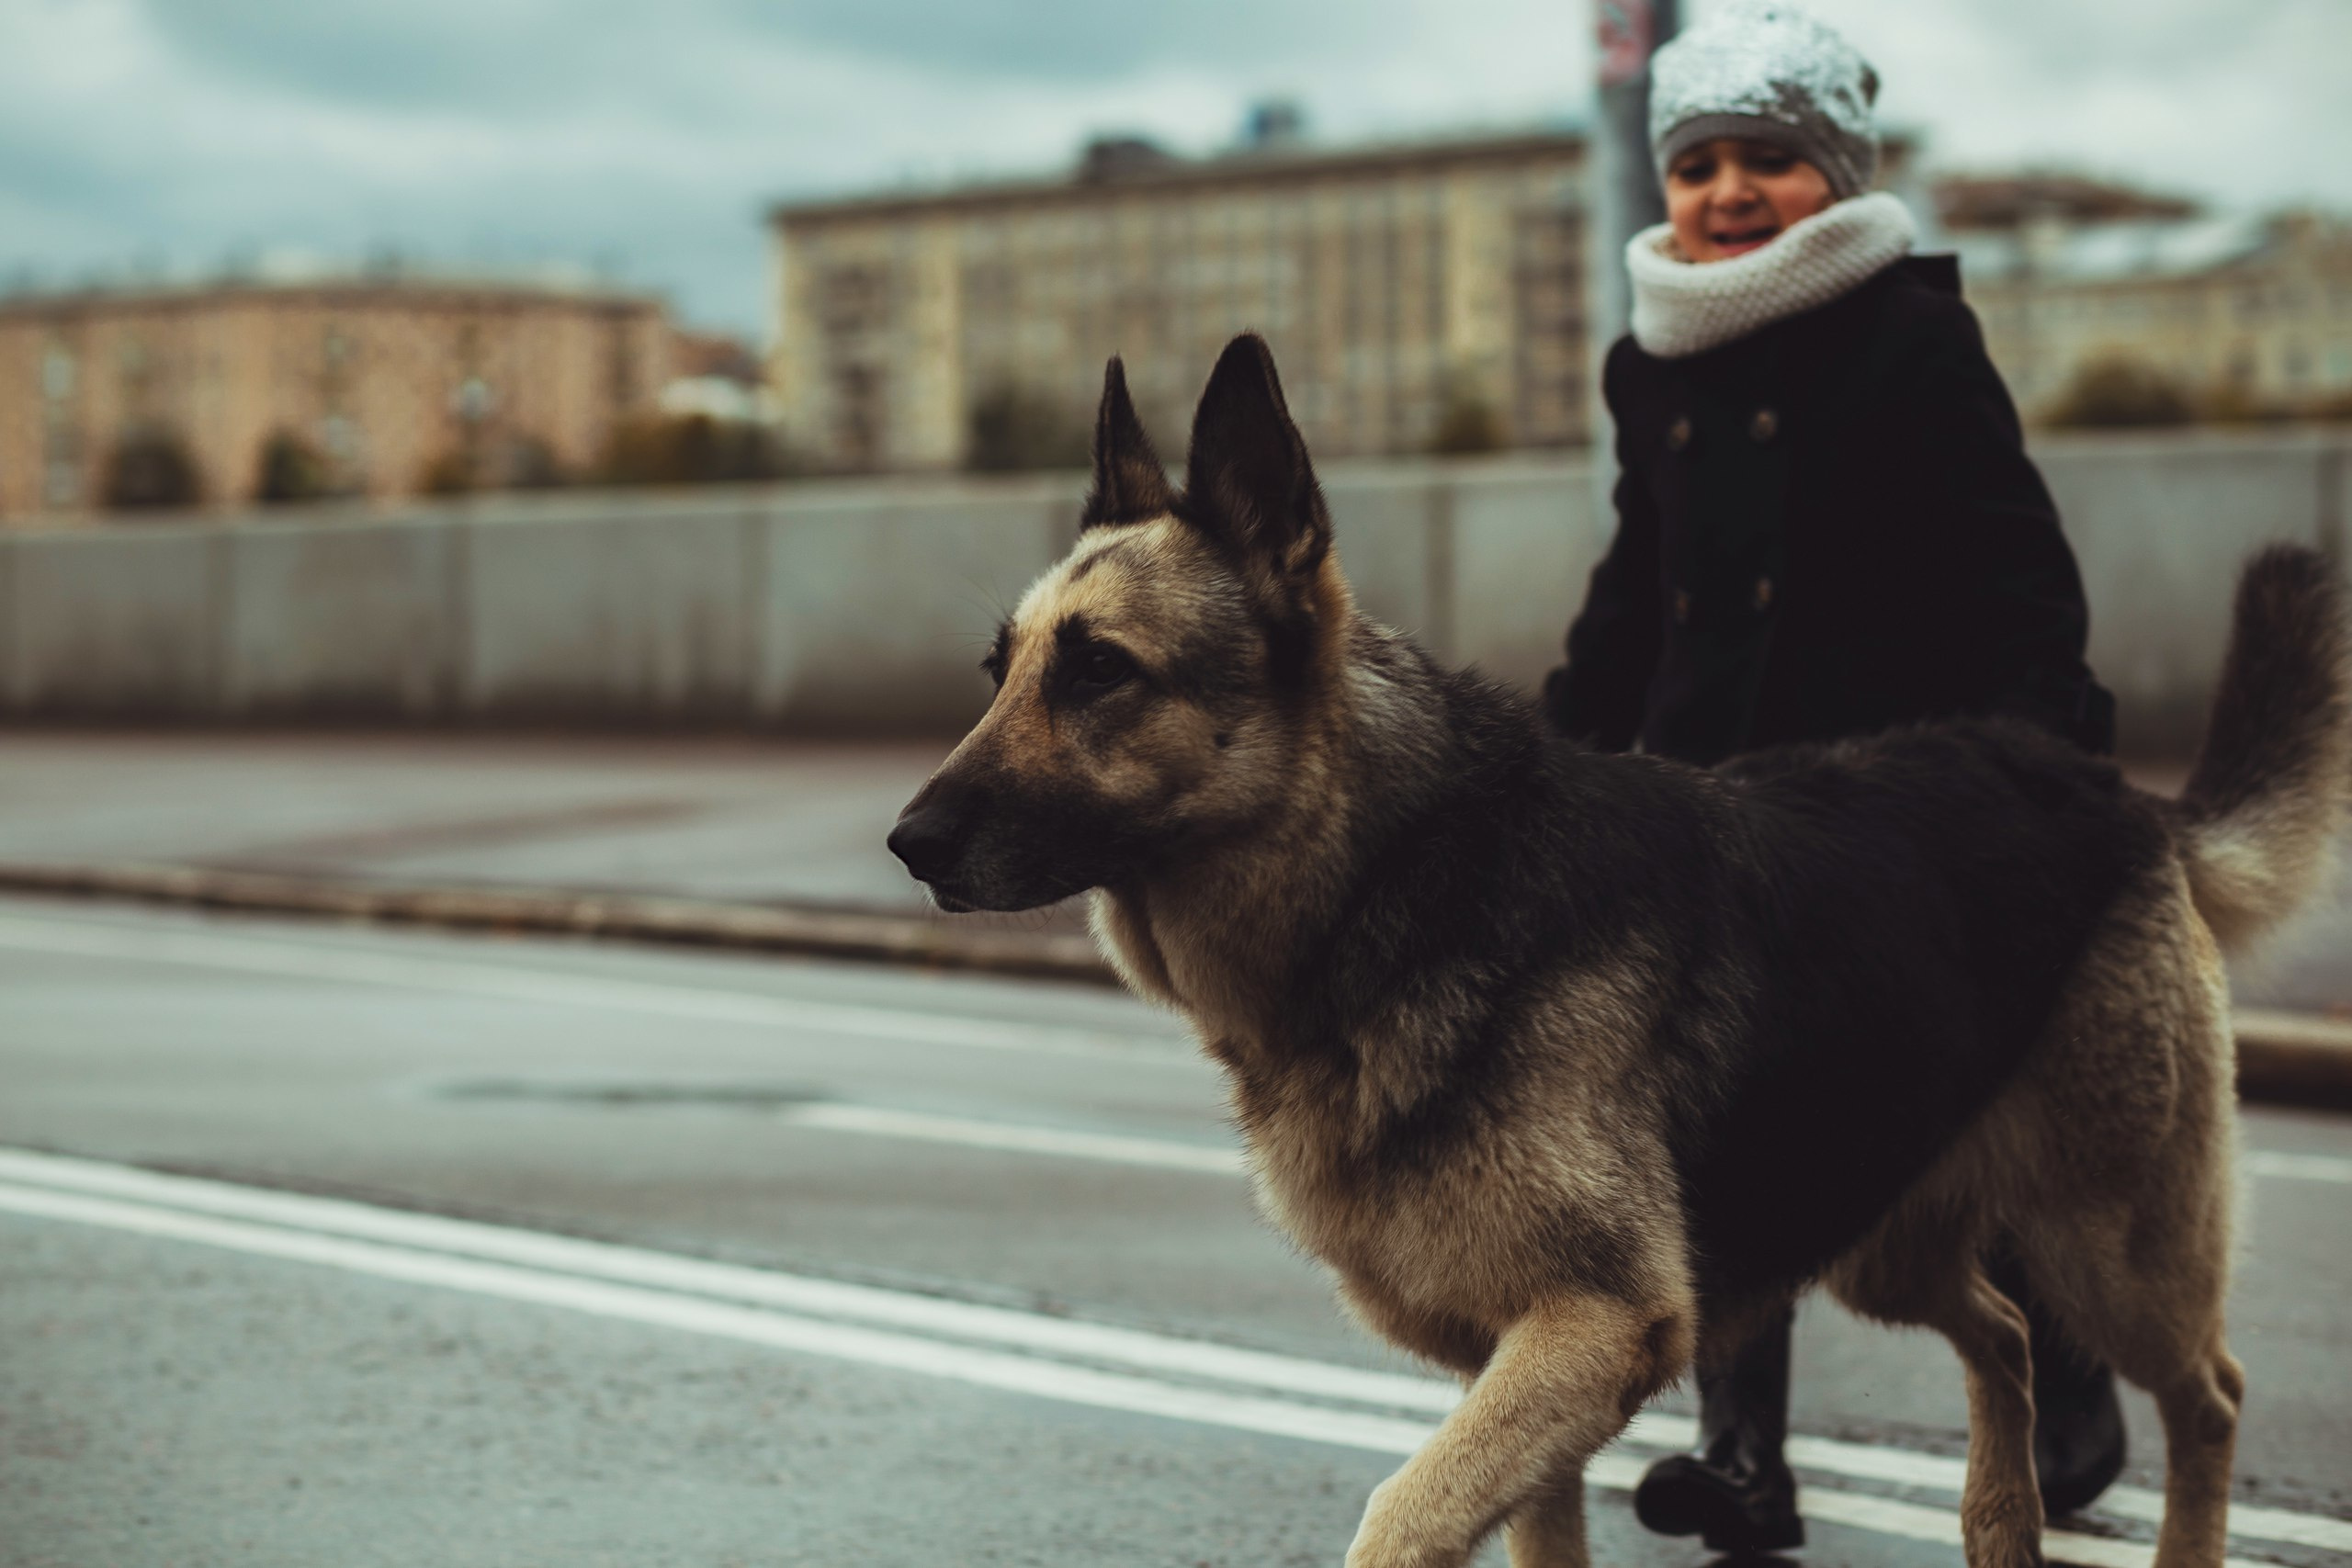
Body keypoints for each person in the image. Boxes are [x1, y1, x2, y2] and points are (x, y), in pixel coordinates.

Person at [1541, 0, 2127, 1552]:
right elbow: (1635, 588)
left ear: (1839, 175)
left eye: (1772, 163)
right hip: (1707, 822)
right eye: (1700, 165)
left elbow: (2018, 572)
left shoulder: (1911, 338)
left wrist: (2041, 765)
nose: (1729, 193)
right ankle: (1744, 1464)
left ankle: (2068, 1388)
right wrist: (1561, 748)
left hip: (1893, 822)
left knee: (1964, 1124)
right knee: (1719, 1144)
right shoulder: (1648, 364)